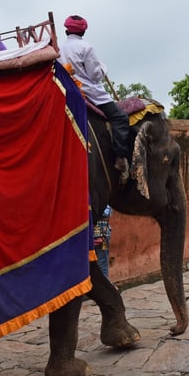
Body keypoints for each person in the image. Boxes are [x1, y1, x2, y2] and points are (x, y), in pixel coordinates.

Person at [58, 15, 130, 178]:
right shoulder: (86, 48)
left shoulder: (59, 48)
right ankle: (120, 157)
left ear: (66, 30)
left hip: (67, 92)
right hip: (91, 94)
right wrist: (104, 68)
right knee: (120, 118)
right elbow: (96, 74)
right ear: (83, 31)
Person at [93, 205, 112, 278]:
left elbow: (107, 213)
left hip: (103, 234)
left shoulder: (105, 202)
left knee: (102, 263)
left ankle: (105, 283)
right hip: (90, 235)